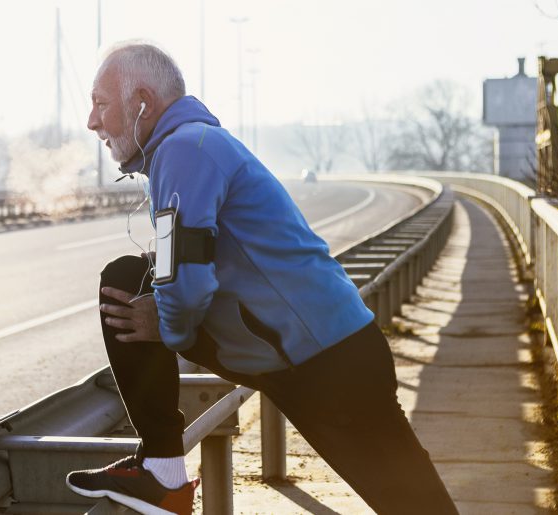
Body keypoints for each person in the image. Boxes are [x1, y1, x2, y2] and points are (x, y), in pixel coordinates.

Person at [66, 41, 459, 515]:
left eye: (100, 104)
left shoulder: (185, 150)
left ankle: (164, 477)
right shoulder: (189, 147)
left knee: (416, 507)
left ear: (143, 102)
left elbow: (184, 280)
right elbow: (191, 256)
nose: (92, 122)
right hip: (301, 354)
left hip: (326, 363)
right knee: (129, 279)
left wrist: (164, 329)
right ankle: (162, 472)